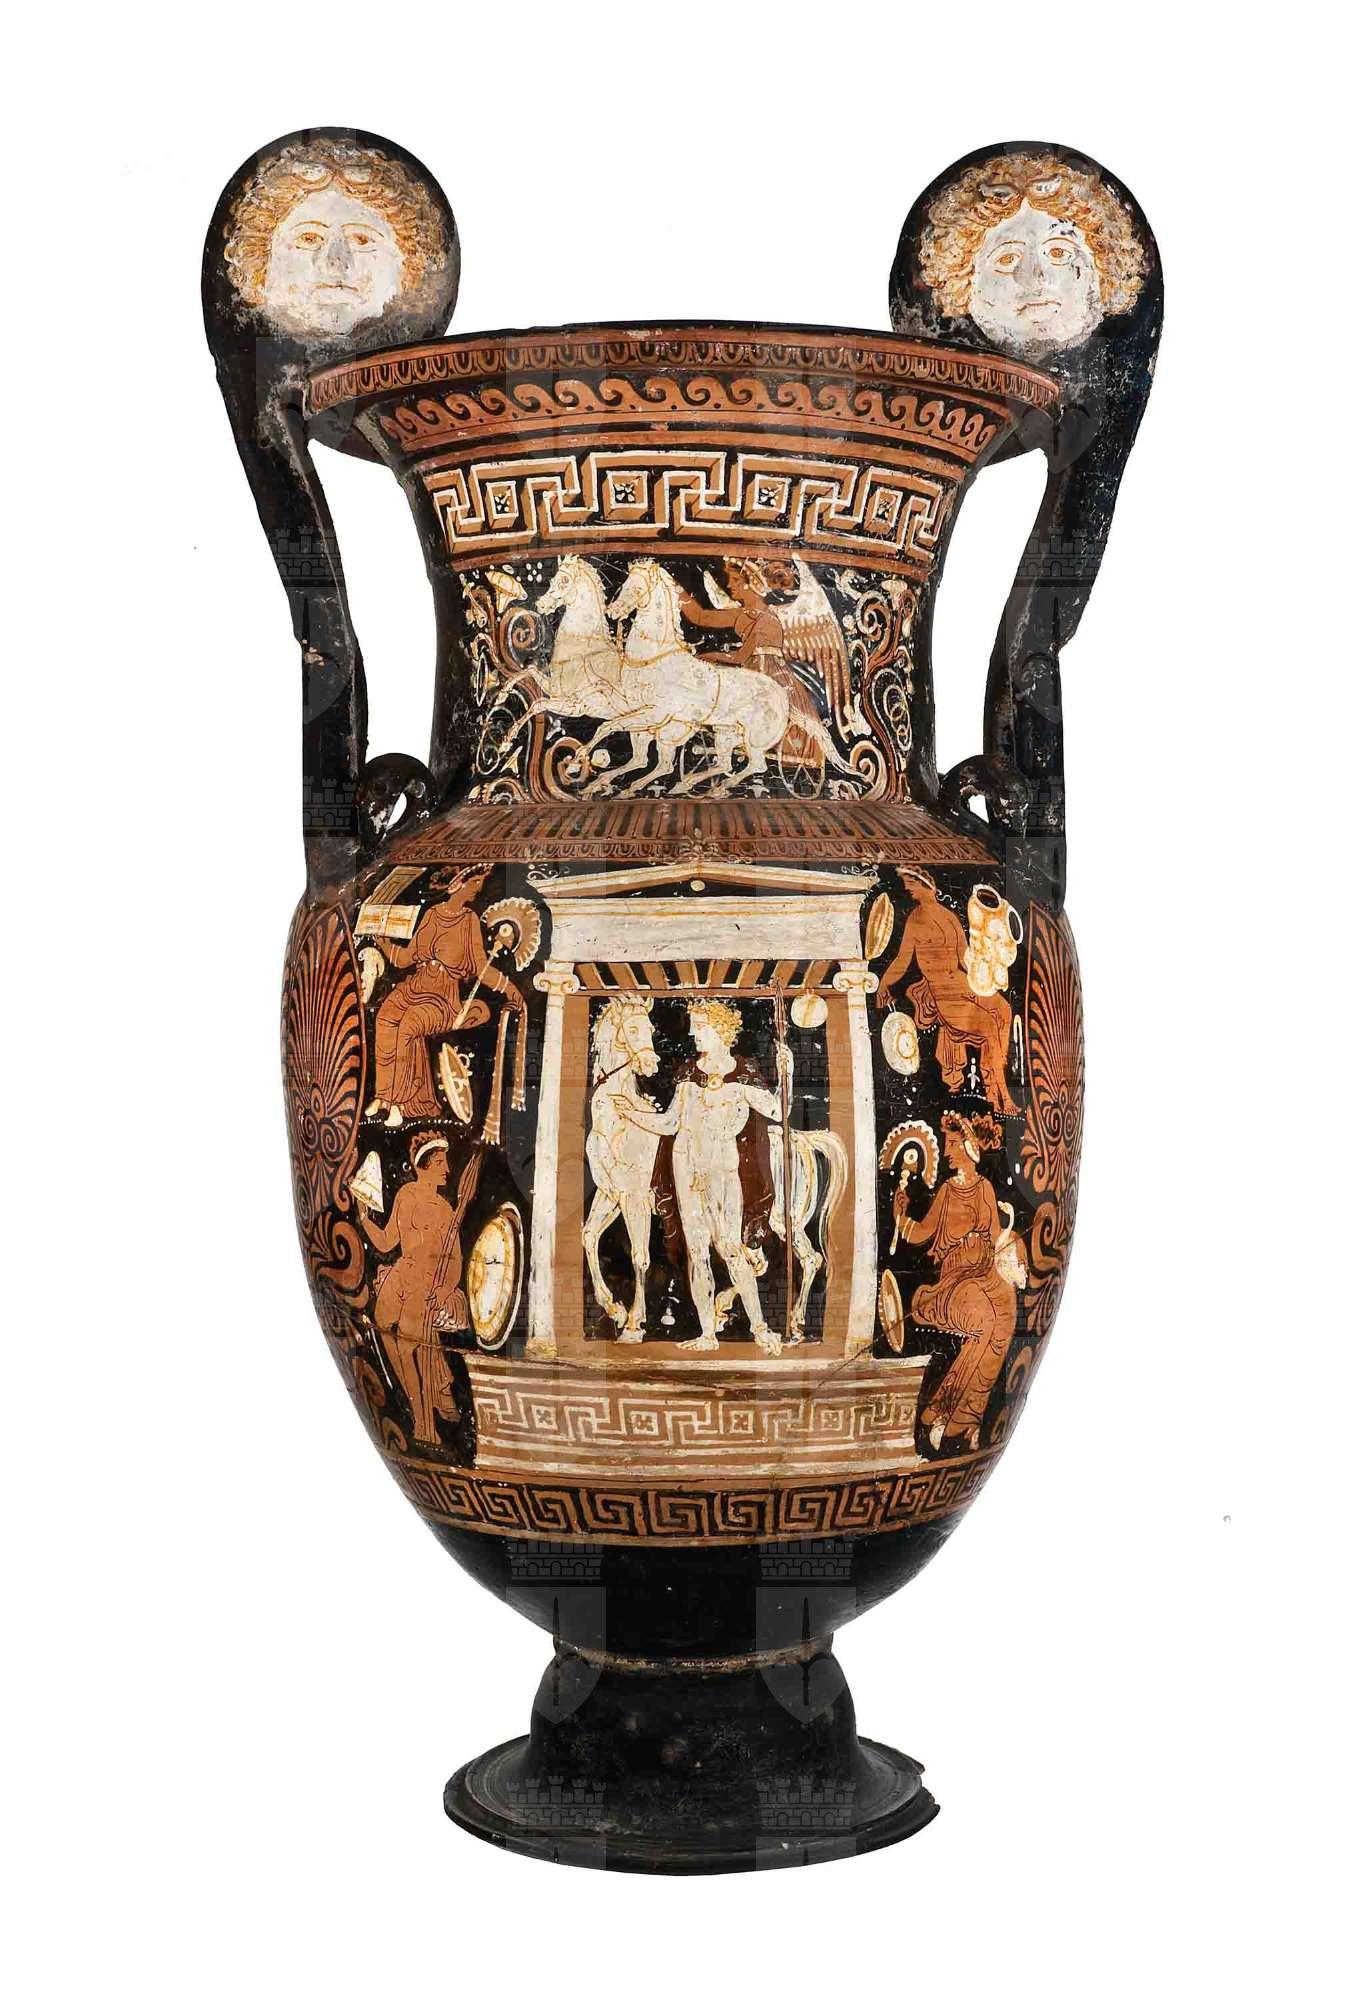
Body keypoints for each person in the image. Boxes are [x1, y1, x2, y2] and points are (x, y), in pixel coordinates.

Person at [613, 999, 787, 1354]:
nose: (694, 1034)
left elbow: (777, 1110)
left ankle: (760, 1328)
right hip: (687, 1168)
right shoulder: (688, 1076)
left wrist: (788, 1075)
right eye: (694, 1028)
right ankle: (708, 1333)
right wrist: (631, 1113)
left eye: (700, 1028)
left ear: (720, 1030)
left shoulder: (742, 1074)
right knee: (697, 1251)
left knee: (731, 1248)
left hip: (722, 1170)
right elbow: (670, 1123)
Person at [894, 1112, 1025, 1451]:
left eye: (953, 1144)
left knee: (1005, 1320)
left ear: (969, 1147)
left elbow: (997, 1238)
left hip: (984, 1276)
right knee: (984, 1323)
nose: (948, 1151)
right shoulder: (947, 1192)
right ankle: (945, 1411)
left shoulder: (984, 1189)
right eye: (947, 1144)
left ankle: (967, 1416)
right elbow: (920, 1234)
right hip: (953, 1286)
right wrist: (900, 1215)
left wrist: (1014, 1249)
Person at [366, 869, 526, 1125]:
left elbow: (481, 968)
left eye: (481, 882)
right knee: (385, 1018)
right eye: (475, 881)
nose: (478, 887)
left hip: (442, 998)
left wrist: (510, 988)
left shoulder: (469, 920)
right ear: (457, 883)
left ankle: (397, 1104)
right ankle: (383, 1096)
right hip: (415, 986)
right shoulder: (432, 914)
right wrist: (383, 943)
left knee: (409, 1025)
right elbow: (405, 958)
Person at [360, 1134, 481, 1448]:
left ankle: (425, 1425)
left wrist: (444, 1290)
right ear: (422, 1166)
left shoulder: (445, 1209)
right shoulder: (405, 1195)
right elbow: (387, 1242)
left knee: (409, 1348)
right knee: (382, 1328)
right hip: (401, 1274)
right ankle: (418, 1402)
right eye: (440, 1162)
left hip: (426, 1284)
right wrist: (364, 1219)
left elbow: (455, 1259)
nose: (447, 1169)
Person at [874, 870, 1017, 1115]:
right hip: (943, 993)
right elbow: (902, 960)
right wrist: (883, 984)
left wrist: (988, 970)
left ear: (925, 885)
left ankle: (994, 1080)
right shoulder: (915, 920)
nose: (907, 890)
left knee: (1004, 1010)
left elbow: (964, 957)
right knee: (989, 1028)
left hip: (963, 982)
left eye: (911, 884)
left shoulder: (949, 916)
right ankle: (1000, 1096)